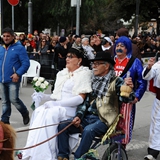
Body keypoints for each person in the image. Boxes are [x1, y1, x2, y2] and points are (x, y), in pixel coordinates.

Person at [57, 51, 135, 160]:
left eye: (97, 64)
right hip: (88, 117)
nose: (94, 66)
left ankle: (79, 157)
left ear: (106, 66)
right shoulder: (92, 80)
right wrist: (78, 116)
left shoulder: (117, 81)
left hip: (104, 121)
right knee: (63, 125)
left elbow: (127, 99)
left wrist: (128, 89)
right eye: (93, 64)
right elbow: (84, 104)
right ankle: (63, 156)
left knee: (89, 131)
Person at [20, 47, 92, 160]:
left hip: (70, 109)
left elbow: (80, 99)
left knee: (50, 114)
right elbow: (56, 97)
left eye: (71, 57)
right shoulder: (62, 74)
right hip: (58, 106)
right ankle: (34, 150)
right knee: (39, 111)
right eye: (67, 56)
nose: (67, 59)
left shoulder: (84, 73)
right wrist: (43, 96)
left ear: (79, 60)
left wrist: (57, 104)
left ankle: (48, 155)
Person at [114, 36, 147, 146]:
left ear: (127, 48)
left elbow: (142, 81)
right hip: (111, 98)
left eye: (122, 46)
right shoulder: (111, 61)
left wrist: (137, 96)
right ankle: (113, 145)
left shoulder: (134, 62)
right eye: (117, 45)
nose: (119, 48)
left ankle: (122, 147)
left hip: (126, 98)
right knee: (112, 122)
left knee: (124, 123)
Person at [0, 27, 30, 125]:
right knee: (4, 101)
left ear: (13, 37)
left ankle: (25, 113)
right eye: (4, 36)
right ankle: (5, 119)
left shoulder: (19, 48)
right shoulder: (1, 48)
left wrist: (18, 73)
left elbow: (25, 63)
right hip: (2, 79)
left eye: (8, 36)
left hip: (13, 79)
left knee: (14, 99)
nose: (6, 38)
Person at [142, 57, 160, 160]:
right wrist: (149, 66)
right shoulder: (158, 65)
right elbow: (147, 76)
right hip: (159, 100)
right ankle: (153, 151)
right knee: (156, 125)